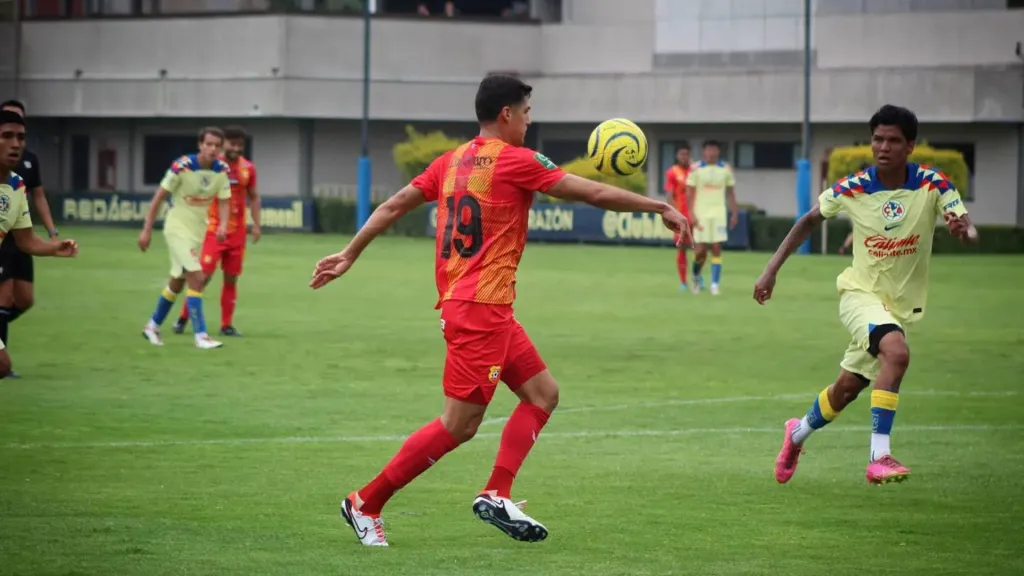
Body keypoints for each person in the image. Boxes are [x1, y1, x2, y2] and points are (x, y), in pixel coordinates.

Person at [310, 74, 690, 547]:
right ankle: (365, 502)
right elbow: (590, 193)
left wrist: (350, 252)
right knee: (459, 424)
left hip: (486, 308)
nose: (531, 121)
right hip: (479, 310)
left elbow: (392, 206)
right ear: (507, 114)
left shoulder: (451, 162)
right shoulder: (516, 161)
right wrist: (659, 206)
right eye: (527, 112)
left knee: (543, 394)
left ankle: (497, 491)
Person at [753, 105, 977, 485]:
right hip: (858, 295)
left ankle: (795, 435)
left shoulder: (933, 183)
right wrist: (770, 270)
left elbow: (967, 227)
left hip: (897, 307)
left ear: (910, 146)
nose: (883, 147)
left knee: (847, 389)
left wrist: (964, 231)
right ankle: (880, 456)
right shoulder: (852, 187)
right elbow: (807, 221)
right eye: (877, 139)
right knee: (897, 352)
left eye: (893, 140)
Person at [138, 127, 231, 350]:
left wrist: (224, 225)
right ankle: (201, 336)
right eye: (208, 144)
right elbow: (159, 198)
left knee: (177, 282)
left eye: (217, 146)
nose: (212, 149)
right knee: (197, 278)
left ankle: (152, 326)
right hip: (176, 229)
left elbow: (225, 199)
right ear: (200, 144)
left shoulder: (222, 170)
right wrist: (147, 229)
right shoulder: (182, 166)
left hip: (197, 232)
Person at [0, 110, 77, 377]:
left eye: (20, 137)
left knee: (2, 365)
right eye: (7, 136)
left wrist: (56, 247)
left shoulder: (16, 186)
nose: (15, 143)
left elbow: (27, 241)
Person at [172, 125, 261, 337]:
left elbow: (254, 196)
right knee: (201, 277)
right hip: (214, 229)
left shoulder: (248, 169)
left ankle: (226, 325)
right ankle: (184, 317)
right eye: (232, 144)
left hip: (238, 234)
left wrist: (256, 224)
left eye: (240, 145)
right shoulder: (213, 167)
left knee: (231, 278)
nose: (236, 148)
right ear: (224, 145)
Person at [686, 140, 738, 295]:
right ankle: (696, 276)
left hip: (718, 213)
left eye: (714, 149)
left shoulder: (725, 169)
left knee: (716, 247)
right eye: (708, 149)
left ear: (718, 151)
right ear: (704, 151)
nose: (711, 152)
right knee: (700, 251)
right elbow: (689, 193)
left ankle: (715, 284)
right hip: (701, 213)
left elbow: (730, 193)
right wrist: (691, 214)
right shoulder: (696, 169)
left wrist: (734, 213)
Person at [664, 146, 693, 291]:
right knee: (681, 248)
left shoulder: (695, 171)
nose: (684, 156)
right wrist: (673, 213)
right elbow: (669, 194)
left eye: (686, 154)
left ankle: (697, 276)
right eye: (682, 153)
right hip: (681, 217)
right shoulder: (672, 172)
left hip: (696, 216)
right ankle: (683, 281)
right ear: (677, 155)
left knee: (700, 249)